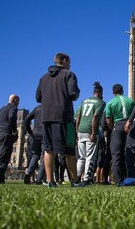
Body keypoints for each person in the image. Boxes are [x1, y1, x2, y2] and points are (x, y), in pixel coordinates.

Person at [36, 53, 80, 188]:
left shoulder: (43, 78)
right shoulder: (69, 74)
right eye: (69, 61)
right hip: (64, 117)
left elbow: (38, 98)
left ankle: (50, 182)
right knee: (69, 151)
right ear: (65, 61)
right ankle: (74, 181)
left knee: (49, 150)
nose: (70, 64)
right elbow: (73, 94)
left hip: (46, 117)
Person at [75, 82, 106, 186]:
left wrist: (77, 131)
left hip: (80, 131)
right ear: (100, 93)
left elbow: (78, 115)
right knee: (90, 157)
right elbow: (96, 116)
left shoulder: (84, 101)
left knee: (81, 157)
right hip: (90, 131)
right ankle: (87, 179)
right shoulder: (100, 102)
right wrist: (93, 132)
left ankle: (77, 178)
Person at [0, 94, 19, 183]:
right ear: (14, 100)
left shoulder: (2, 109)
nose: (18, 103)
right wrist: (14, 130)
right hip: (6, 135)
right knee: (3, 158)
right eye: (18, 101)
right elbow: (11, 117)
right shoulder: (13, 108)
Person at [23, 105, 44, 185]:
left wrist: (30, 132)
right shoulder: (49, 107)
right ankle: (39, 179)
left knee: (35, 156)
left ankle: (28, 173)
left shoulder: (37, 108)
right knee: (44, 158)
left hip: (36, 135)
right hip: (44, 135)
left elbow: (27, 119)